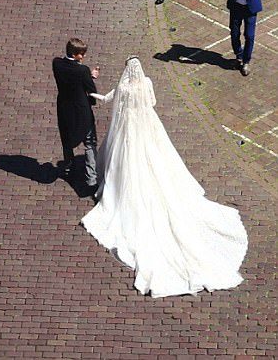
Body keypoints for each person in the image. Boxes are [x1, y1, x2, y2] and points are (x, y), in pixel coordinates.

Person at [81, 57, 247, 297]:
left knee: (124, 158)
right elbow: (153, 102)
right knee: (155, 156)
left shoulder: (123, 87)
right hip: (146, 125)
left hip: (128, 128)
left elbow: (109, 100)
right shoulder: (146, 82)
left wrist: (92, 96)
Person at [52, 38, 100, 194]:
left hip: (65, 108)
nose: (83, 57)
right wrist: (90, 77)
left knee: (66, 138)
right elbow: (90, 90)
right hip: (81, 110)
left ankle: (68, 166)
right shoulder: (82, 70)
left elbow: (71, 78)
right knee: (90, 142)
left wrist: (86, 75)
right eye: (81, 54)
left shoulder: (57, 63)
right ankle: (91, 178)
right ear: (74, 53)